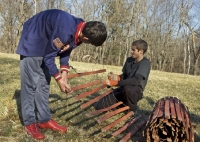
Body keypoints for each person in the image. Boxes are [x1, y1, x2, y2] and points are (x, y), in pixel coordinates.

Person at [16, 9, 107, 140]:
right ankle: (29, 123)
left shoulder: (81, 28)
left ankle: (43, 119)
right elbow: (49, 57)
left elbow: (65, 49)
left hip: (47, 43)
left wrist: (64, 73)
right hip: (33, 39)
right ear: (86, 37)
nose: (88, 44)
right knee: (30, 85)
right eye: (90, 43)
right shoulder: (65, 30)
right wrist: (59, 80)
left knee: (43, 84)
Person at [96, 39, 150, 113]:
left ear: (141, 51)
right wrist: (116, 77)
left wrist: (116, 83)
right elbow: (124, 76)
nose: (131, 51)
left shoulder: (145, 63)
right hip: (123, 88)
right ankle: (124, 104)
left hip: (135, 90)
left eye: (133, 50)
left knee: (128, 89)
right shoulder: (129, 60)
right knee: (100, 106)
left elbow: (136, 80)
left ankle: (132, 109)